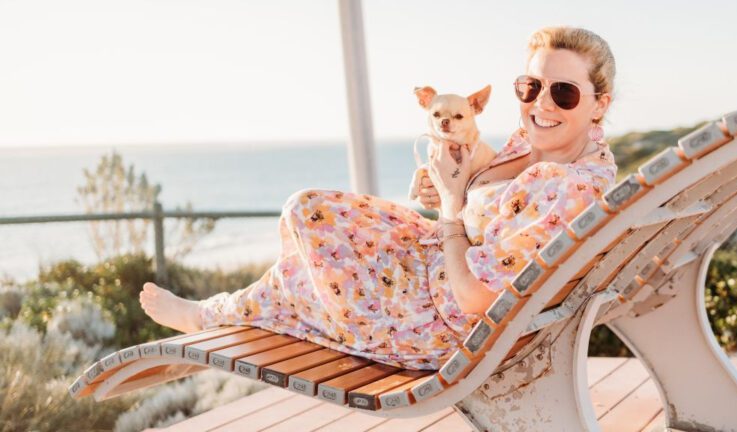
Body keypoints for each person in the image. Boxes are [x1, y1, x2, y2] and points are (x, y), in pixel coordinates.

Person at [139, 26, 619, 371]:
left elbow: (474, 297)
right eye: (530, 86)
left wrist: (451, 206)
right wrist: (455, 185)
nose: (541, 103)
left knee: (308, 263)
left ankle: (210, 315)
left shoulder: (565, 186)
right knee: (308, 210)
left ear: (600, 103)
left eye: (563, 93)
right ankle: (256, 308)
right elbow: (482, 193)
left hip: (432, 315)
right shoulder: (535, 145)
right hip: (426, 260)